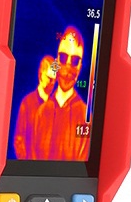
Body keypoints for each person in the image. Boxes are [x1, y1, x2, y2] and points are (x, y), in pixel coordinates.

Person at [30, 27, 90, 161]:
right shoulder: (41, 112)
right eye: (63, 58)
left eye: (75, 61)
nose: (68, 67)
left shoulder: (85, 118)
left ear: (80, 66)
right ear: (56, 61)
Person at [12, 55, 57, 159]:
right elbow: (19, 139)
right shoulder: (27, 103)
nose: (52, 83)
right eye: (49, 78)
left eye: (54, 80)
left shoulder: (55, 106)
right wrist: (27, 163)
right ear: (40, 74)